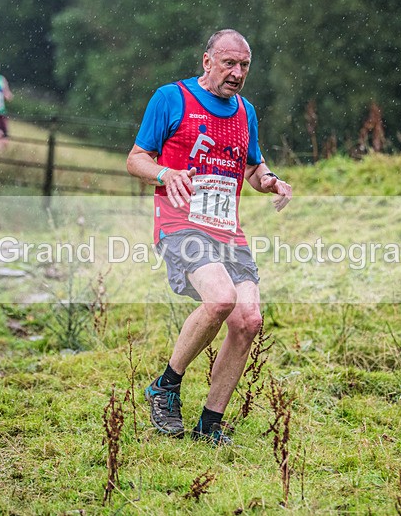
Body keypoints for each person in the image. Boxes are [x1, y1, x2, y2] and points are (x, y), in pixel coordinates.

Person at [126, 29, 293, 446]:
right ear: (207, 61)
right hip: (180, 223)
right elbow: (135, 159)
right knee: (220, 299)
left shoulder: (245, 112)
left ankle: (209, 424)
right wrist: (167, 173)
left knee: (248, 319)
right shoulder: (171, 98)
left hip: (228, 232)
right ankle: (165, 386)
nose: (237, 73)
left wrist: (270, 181)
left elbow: (253, 168)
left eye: (244, 66)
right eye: (228, 63)